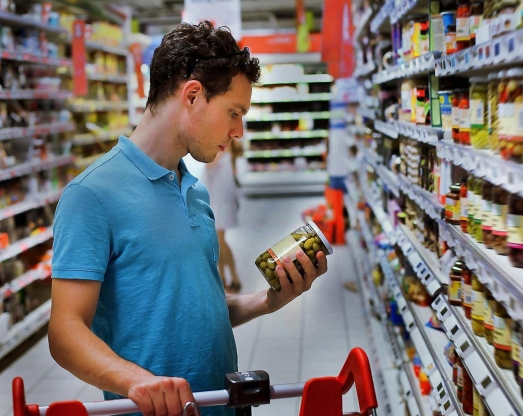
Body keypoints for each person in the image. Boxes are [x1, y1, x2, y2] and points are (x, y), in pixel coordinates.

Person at [48, 21, 329, 416]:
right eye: (234, 112)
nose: (239, 131)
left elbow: (195, 309)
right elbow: (65, 332)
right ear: (193, 95)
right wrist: (136, 382)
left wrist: (267, 301)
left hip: (221, 405)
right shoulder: (92, 195)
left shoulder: (194, 189)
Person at [202, 142, 242, 293]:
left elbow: (209, 165)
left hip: (220, 203)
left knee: (219, 241)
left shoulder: (222, 152)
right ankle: (224, 278)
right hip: (217, 202)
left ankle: (234, 278)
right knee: (217, 241)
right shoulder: (226, 153)